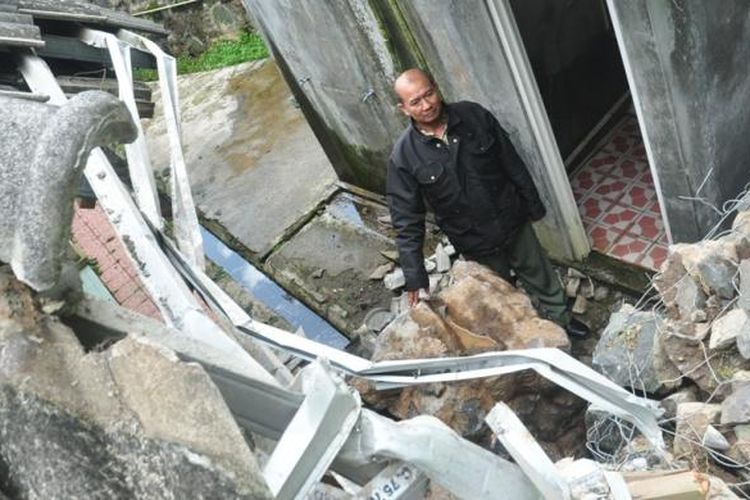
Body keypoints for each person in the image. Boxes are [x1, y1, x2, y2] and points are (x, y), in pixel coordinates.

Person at [386, 68, 589, 338]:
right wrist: (415, 276)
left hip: (512, 219)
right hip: (474, 240)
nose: (427, 105)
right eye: (416, 102)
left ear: (436, 87)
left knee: (540, 274)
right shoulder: (404, 156)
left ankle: (562, 319)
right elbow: (406, 220)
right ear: (403, 109)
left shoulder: (473, 116)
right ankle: (523, 337)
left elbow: (511, 161)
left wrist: (533, 204)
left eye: (429, 94)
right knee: (497, 293)